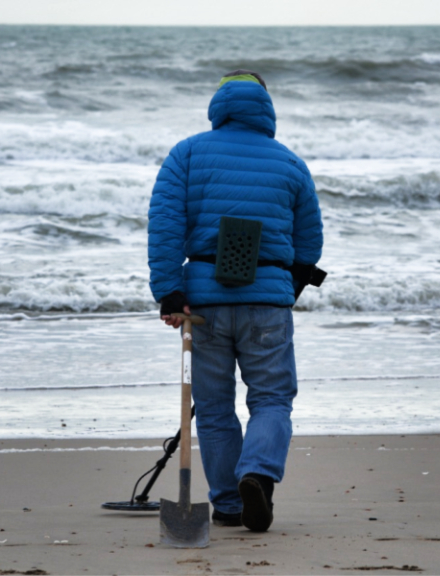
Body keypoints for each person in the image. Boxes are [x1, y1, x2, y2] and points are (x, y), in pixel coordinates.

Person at [147, 69, 323, 532]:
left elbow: (164, 226)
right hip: (267, 301)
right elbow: (309, 245)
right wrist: (289, 287)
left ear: (218, 105)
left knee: (214, 405)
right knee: (271, 398)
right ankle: (257, 474)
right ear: (266, 106)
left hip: (202, 303)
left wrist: (169, 293)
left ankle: (227, 503)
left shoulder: (185, 155)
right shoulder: (290, 163)